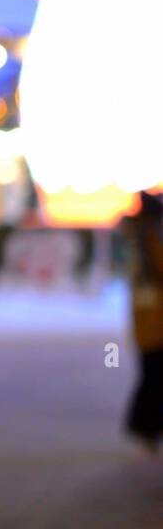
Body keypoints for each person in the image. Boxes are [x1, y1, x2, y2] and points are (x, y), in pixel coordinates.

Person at [125, 192, 163, 450]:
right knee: (153, 379)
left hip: (147, 326)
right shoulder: (149, 245)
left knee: (151, 377)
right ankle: (145, 427)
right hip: (155, 327)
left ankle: (147, 428)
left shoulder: (142, 244)